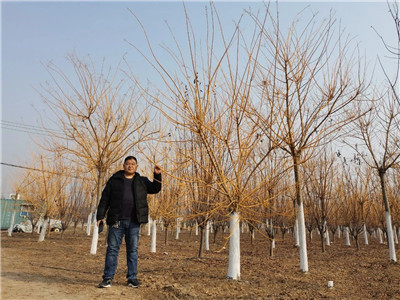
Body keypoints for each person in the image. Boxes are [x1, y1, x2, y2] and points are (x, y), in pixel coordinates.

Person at [96, 156, 162, 288]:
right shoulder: (114, 180)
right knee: (112, 249)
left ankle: (132, 278)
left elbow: (155, 188)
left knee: (133, 250)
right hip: (116, 221)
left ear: (137, 166)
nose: (130, 166)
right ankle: (108, 278)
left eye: (133, 164)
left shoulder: (141, 181)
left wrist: (157, 175)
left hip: (134, 221)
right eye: (128, 164)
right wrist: (100, 216)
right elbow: (105, 198)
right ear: (123, 165)